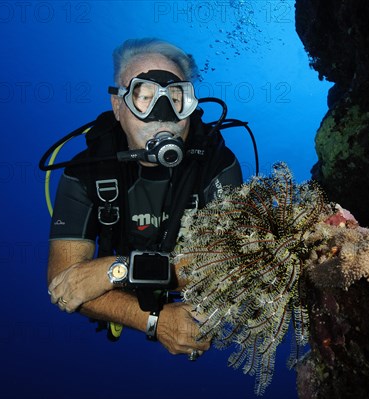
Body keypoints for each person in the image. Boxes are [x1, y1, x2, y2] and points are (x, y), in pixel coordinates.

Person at [46, 38, 243, 360]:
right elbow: (64, 283)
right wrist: (155, 320)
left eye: (176, 98)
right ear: (118, 106)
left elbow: (228, 266)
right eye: (145, 97)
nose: (162, 116)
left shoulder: (217, 164)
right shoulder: (85, 172)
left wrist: (113, 271)